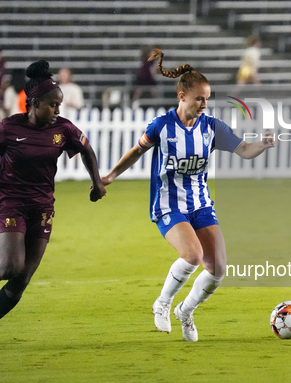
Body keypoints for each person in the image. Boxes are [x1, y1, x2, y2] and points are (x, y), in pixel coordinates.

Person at [0, 60, 107, 351]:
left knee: (22, 278)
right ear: (34, 103)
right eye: (53, 105)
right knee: (11, 266)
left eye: (59, 105)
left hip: (43, 206)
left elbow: (86, 149)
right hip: (10, 202)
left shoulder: (63, 129)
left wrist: (97, 182)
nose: (58, 111)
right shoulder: (9, 128)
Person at [102, 49, 276, 342]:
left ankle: (185, 310)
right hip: (168, 204)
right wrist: (110, 176)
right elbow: (136, 151)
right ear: (182, 96)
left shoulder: (211, 127)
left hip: (200, 204)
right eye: (200, 98)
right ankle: (163, 302)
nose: (205, 104)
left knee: (218, 268)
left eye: (207, 98)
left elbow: (244, 150)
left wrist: (262, 144)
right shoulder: (162, 126)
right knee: (193, 255)